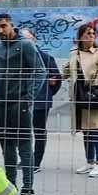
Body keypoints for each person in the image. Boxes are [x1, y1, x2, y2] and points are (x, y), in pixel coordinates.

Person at [0, 14, 46, 195]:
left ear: (11, 25)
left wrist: (28, 97)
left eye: (3, 26)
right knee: (7, 147)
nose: (0, 30)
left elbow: (40, 71)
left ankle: (28, 190)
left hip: (19, 103)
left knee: (24, 146)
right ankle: (11, 188)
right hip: (1, 104)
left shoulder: (25, 45)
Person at [66, 23, 98, 178]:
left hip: (96, 94)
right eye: (88, 33)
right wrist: (56, 76)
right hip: (80, 95)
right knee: (86, 130)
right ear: (81, 37)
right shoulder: (74, 53)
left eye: (93, 33)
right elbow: (67, 70)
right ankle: (90, 162)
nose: (92, 36)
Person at [21, 29, 62, 172]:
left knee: (39, 131)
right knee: (22, 131)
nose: (25, 42)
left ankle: (36, 162)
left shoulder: (46, 58)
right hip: (23, 100)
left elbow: (57, 80)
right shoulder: (19, 58)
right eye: (22, 39)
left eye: (28, 39)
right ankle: (26, 159)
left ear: (34, 39)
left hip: (40, 102)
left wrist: (47, 92)